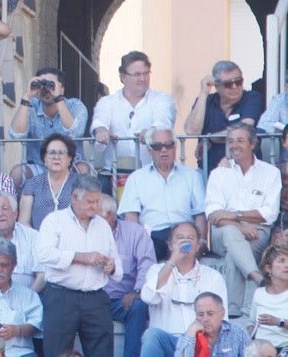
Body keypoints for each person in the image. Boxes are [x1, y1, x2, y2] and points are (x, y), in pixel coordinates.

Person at [36, 175, 123, 357]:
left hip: (95, 298)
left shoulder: (103, 226)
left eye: (97, 201)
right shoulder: (54, 220)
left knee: (103, 352)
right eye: (90, 201)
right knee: (58, 352)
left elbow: (117, 266)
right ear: (74, 198)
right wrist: (80, 257)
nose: (95, 206)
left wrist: (112, 267)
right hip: (62, 296)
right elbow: (43, 254)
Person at [204, 123, 280, 318]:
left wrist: (235, 215)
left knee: (233, 256)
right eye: (230, 141)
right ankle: (257, 277)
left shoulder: (270, 172)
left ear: (252, 144)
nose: (234, 145)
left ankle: (234, 313)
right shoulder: (219, 173)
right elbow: (213, 212)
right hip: (223, 231)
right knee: (231, 233)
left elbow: (268, 213)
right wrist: (239, 225)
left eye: (240, 140)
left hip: (257, 233)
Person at [118, 126, 207, 261]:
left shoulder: (192, 176)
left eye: (168, 145)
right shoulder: (136, 178)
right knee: (148, 260)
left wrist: (201, 241)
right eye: (157, 146)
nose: (164, 150)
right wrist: (134, 245)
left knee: (186, 252)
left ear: (175, 147)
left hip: (184, 235)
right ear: (149, 149)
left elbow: (200, 213)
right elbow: (131, 217)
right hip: (153, 237)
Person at [139, 223, 228, 357]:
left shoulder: (213, 276)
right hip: (167, 341)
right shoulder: (157, 270)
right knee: (151, 335)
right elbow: (148, 297)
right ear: (170, 245)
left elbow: (221, 318)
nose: (185, 241)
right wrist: (173, 259)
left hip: (200, 341)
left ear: (198, 246)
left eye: (190, 238)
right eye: (180, 237)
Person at [91, 51, 176, 179]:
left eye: (146, 73)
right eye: (137, 74)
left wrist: (151, 133)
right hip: (113, 174)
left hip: (151, 173)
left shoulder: (162, 99)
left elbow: (162, 123)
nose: (143, 78)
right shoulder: (108, 102)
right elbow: (100, 122)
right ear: (123, 77)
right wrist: (101, 131)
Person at [8, 67, 89, 188]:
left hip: (71, 165)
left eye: (51, 85)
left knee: (83, 170)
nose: (47, 90)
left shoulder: (75, 106)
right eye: (42, 85)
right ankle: (19, 206)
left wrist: (58, 98)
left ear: (62, 89)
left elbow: (75, 132)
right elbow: (16, 134)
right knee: (17, 173)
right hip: (39, 165)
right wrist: (27, 97)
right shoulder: (31, 106)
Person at [100, 195, 153, 357]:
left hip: (123, 298)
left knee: (138, 307)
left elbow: (147, 265)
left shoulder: (135, 232)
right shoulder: (86, 230)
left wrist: (137, 292)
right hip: (94, 297)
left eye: (97, 215)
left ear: (110, 215)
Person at [184, 60, 263, 168]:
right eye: (228, 84)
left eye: (238, 82)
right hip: (210, 172)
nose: (235, 86)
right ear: (217, 86)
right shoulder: (206, 101)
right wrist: (203, 93)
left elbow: (243, 129)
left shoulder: (251, 98)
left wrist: (208, 139)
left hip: (245, 171)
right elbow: (191, 131)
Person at [0, 193, 44, 291]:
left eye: (5, 208)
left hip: (29, 296)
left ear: (15, 214)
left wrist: (28, 299)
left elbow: (42, 276)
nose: (0, 214)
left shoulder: (33, 236)